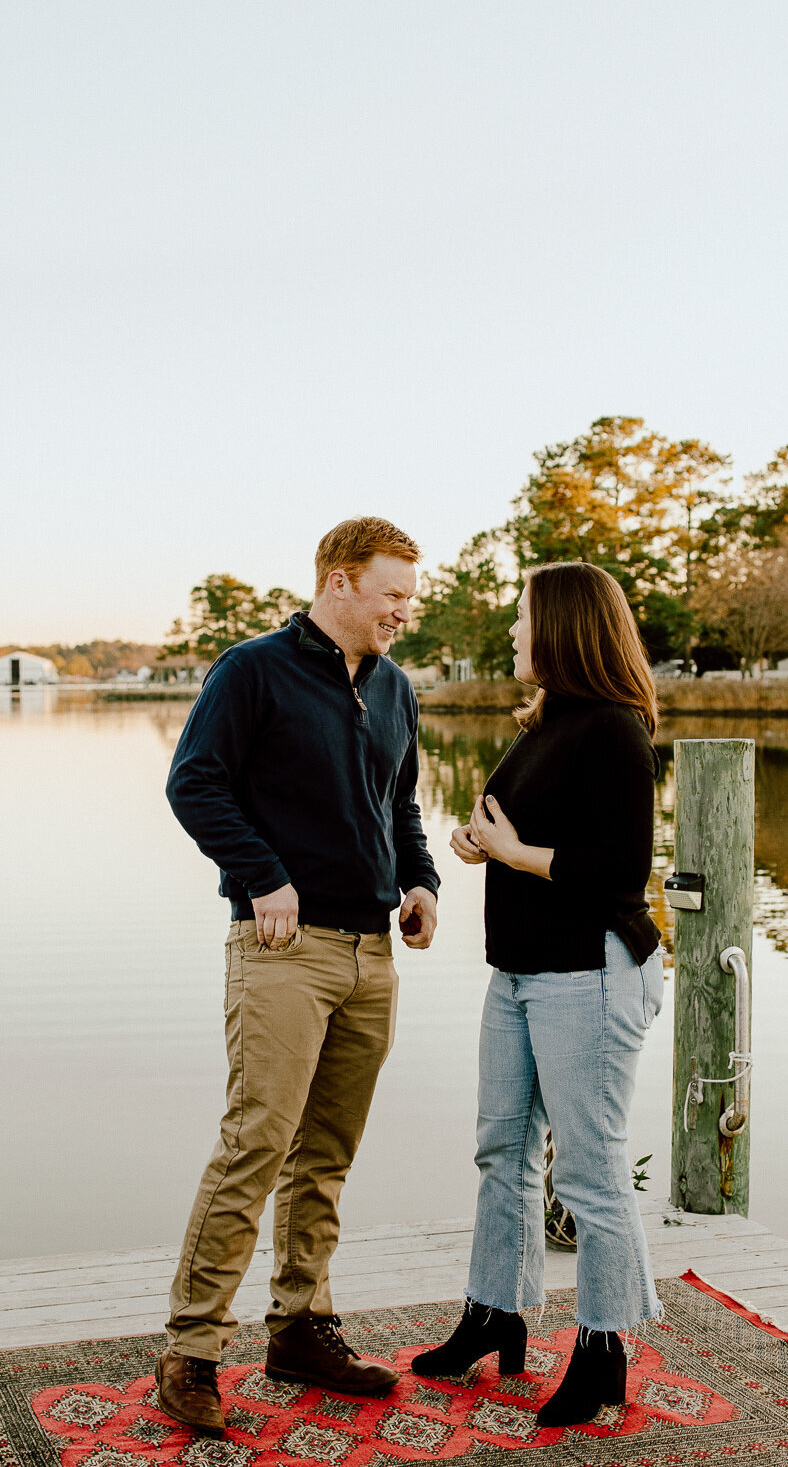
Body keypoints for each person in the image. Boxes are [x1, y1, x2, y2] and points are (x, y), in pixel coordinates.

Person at [157, 516, 440, 1439]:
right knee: (256, 1147)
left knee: (327, 1157)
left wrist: (423, 880)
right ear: (340, 582)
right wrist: (263, 874)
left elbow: (398, 800)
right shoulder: (253, 670)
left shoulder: (395, 687)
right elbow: (194, 783)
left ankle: (301, 1328)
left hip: (371, 953)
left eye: (410, 593)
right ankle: (191, 1350)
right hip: (283, 952)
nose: (407, 609)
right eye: (393, 592)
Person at [413, 561, 664, 1426]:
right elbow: (538, 831)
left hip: (589, 974)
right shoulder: (546, 723)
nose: (513, 632)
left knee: (591, 1173)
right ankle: (496, 1312)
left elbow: (620, 870)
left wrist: (518, 856)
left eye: (522, 617)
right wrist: (485, 843)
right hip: (518, 970)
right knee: (501, 1152)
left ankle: (604, 1349)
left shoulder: (615, 730)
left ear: (561, 626)